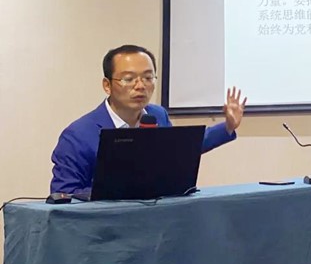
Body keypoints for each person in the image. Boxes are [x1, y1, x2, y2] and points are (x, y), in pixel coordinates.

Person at [50, 44, 247, 194]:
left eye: (148, 78)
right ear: (107, 85)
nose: (140, 86)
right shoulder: (78, 135)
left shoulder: (157, 116)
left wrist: (228, 126)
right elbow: (63, 194)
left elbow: (182, 147)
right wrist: (113, 193)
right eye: (128, 79)